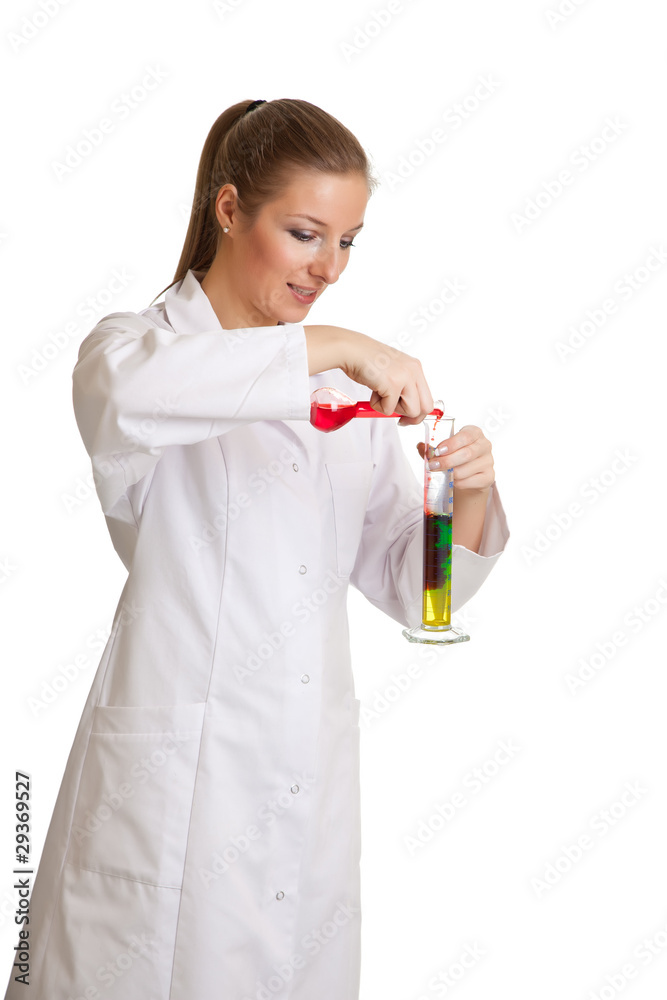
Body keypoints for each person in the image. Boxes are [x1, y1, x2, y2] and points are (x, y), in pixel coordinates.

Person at [3, 98, 509, 1000]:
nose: (330, 269)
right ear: (228, 209)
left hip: (299, 784)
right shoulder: (133, 349)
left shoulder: (335, 394)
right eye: (307, 233)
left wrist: (464, 492)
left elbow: (414, 588)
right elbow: (142, 398)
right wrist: (340, 345)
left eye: (350, 241)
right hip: (166, 783)